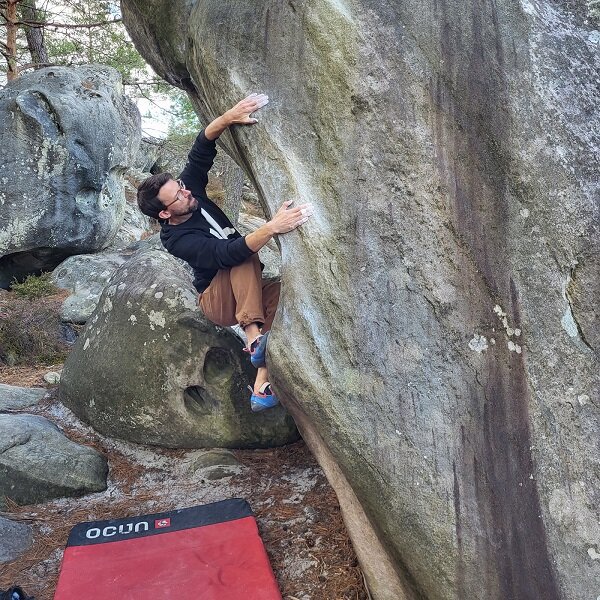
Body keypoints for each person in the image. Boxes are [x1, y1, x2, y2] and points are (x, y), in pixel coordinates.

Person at [136, 93, 313, 411]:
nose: (186, 191)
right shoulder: (175, 239)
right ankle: (253, 338)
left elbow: (202, 145)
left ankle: (260, 386)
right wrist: (273, 226)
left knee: (285, 300)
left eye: (181, 186)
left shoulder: (191, 189)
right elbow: (226, 254)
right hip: (217, 300)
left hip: (247, 288)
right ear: (164, 213)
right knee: (241, 253)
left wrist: (229, 115)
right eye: (177, 195)